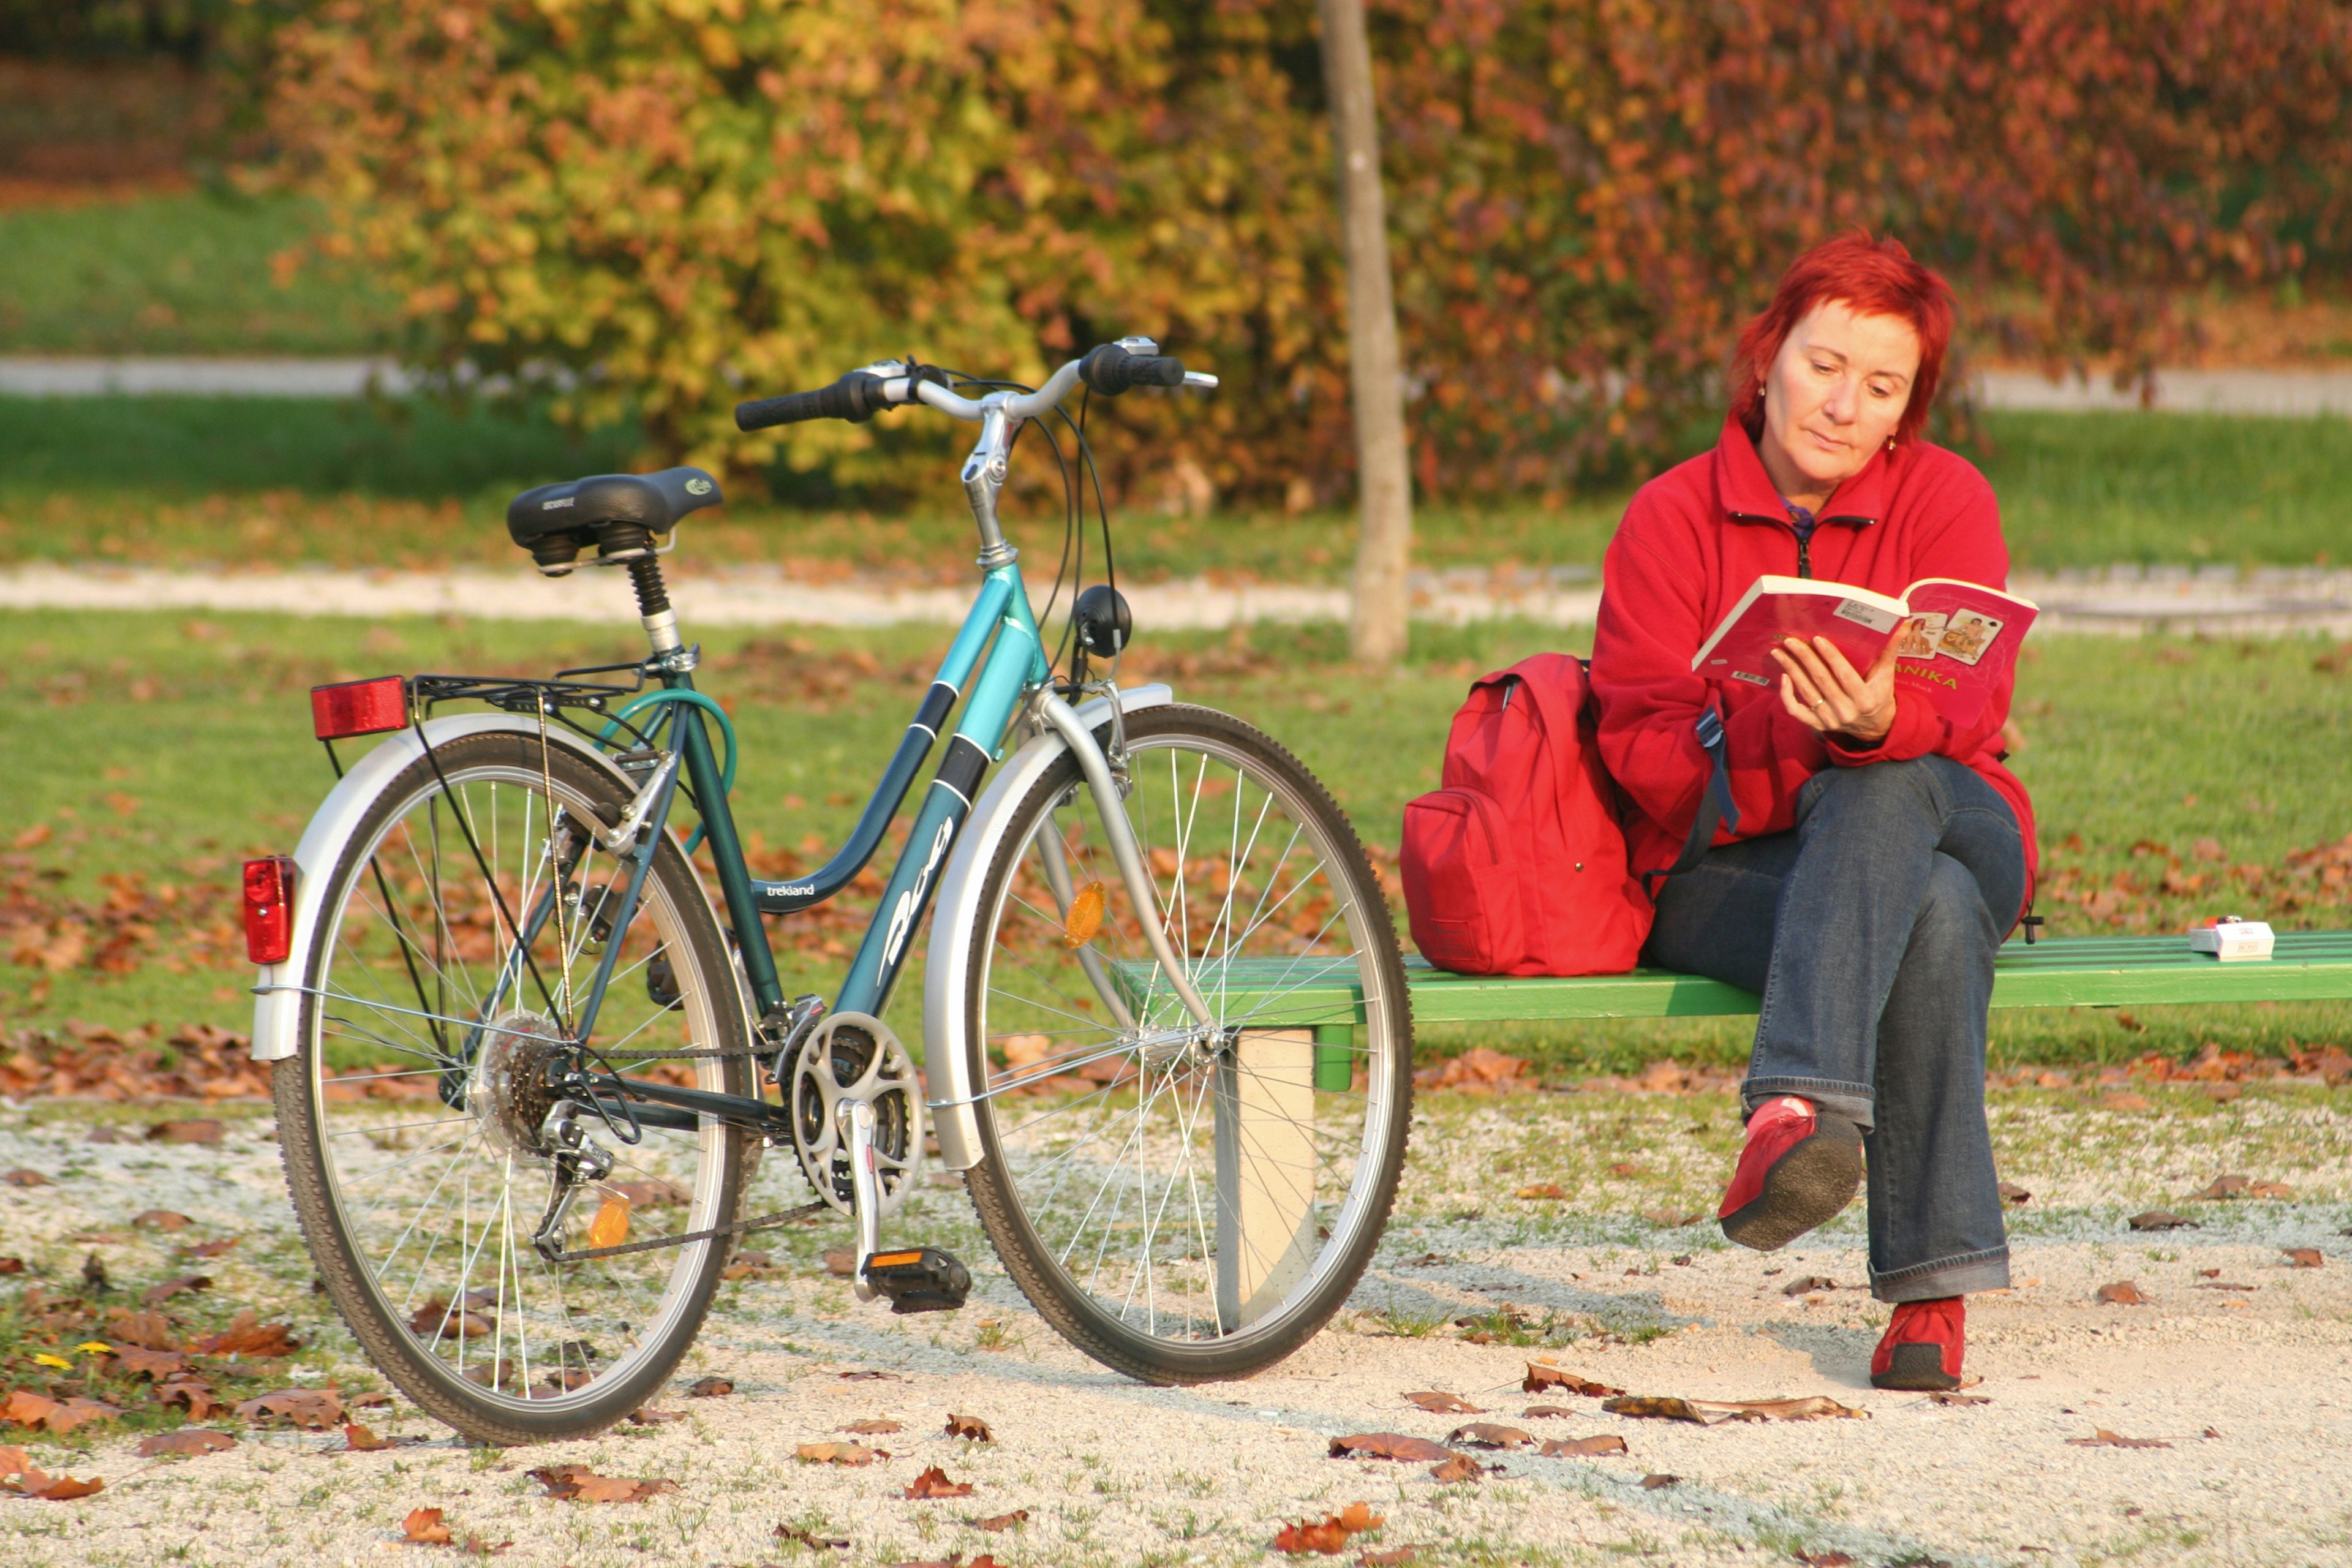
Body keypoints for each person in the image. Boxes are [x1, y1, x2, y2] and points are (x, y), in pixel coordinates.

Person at [1589, 232, 2035, 1392]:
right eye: (1824, 364)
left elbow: (1975, 696)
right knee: (1925, 913)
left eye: (1880, 387)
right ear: (1766, 358)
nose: (1843, 405)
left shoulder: (1947, 497)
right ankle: (1933, 1297)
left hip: (1953, 814)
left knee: (1888, 790)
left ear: (1908, 410)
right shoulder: (1668, 516)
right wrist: (1803, 743)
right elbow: (1641, 737)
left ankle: (1795, 1102)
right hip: (1728, 869)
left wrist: (1874, 724)